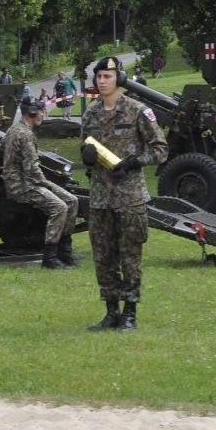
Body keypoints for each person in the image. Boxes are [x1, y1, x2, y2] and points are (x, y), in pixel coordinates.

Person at [79, 56, 168, 332]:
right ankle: (111, 310)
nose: (102, 81)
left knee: (129, 256)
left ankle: (130, 312)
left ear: (119, 78)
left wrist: (134, 162)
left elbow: (160, 149)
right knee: (103, 256)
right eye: (99, 77)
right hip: (100, 197)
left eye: (108, 76)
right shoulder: (90, 113)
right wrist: (87, 156)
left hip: (129, 197)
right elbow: (86, 149)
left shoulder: (137, 111)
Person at [2, 96, 80, 269]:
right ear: (31, 113)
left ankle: (65, 253)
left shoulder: (13, 130)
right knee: (59, 207)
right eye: (41, 112)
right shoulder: (25, 134)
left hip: (27, 182)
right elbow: (32, 169)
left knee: (72, 201)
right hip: (22, 186)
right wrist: (47, 184)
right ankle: (50, 258)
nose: (43, 115)